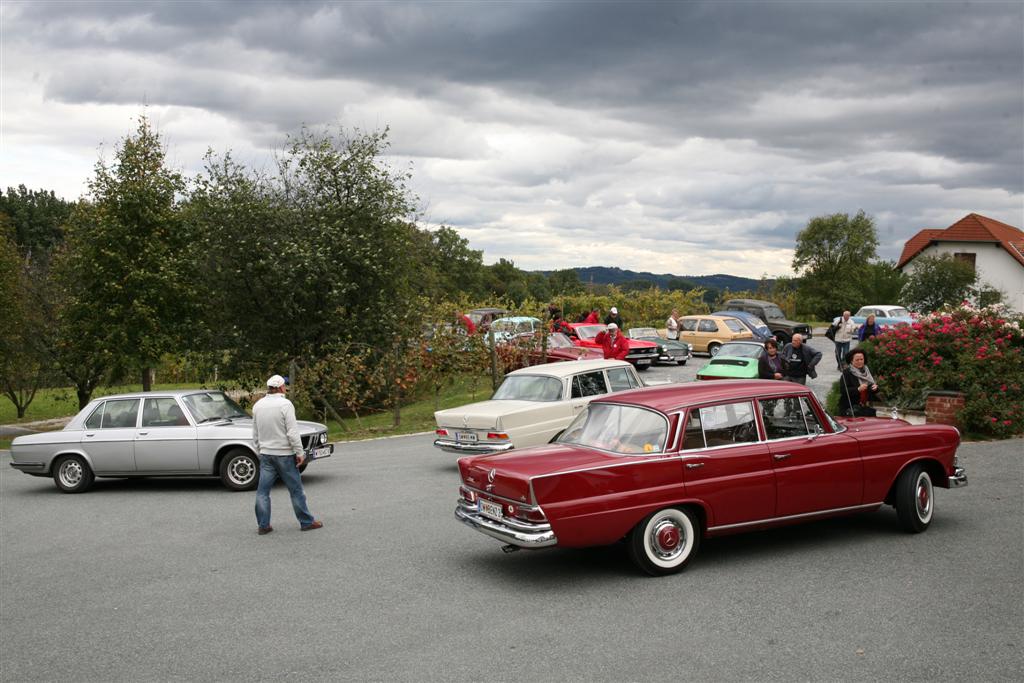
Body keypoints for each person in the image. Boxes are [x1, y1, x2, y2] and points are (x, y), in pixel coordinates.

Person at [252, 374, 323, 535]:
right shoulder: (285, 405)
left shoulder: (258, 406)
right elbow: (292, 432)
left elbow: (255, 433)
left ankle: (263, 525)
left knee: (263, 492)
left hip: (266, 454)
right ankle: (306, 521)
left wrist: (259, 450)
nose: (286, 387)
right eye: (285, 385)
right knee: (296, 490)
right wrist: (300, 452)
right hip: (284, 454)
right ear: (280, 387)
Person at [838, 348, 881, 416]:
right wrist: (858, 389)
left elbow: (870, 387)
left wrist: (875, 388)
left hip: (864, 406)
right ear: (851, 361)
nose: (860, 361)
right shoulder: (847, 373)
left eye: (861, 359)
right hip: (850, 408)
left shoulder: (867, 371)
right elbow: (843, 390)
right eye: (857, 360)